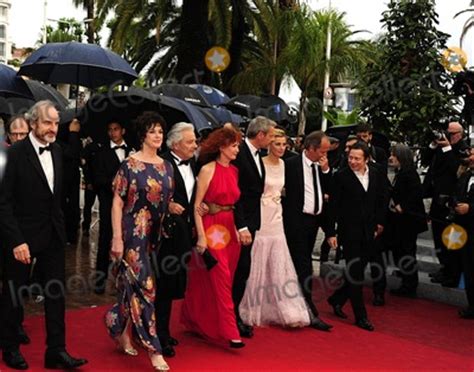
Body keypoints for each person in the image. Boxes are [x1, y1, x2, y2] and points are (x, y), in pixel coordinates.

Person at [0, 100, 87, 370]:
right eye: (47, 122)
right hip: (21, 238)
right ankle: (10, 347)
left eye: (55, 123)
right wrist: (16, 241)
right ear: (33, 123)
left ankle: (56, 351)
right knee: (14, 295)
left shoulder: (58, 151)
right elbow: (3, 202)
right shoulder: (14, 154)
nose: (52, 128)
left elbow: (57, 197)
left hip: (52, 236)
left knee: (55, 294)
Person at [105, 111, 173, 371]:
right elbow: (117, 202)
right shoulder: (130, 165)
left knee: (129, 288)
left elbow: (164, 199)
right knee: (146, 288)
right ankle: (154, 349)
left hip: (156, 237)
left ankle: (117, 325)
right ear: (143, 134)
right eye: (153, 131)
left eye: (161, 131)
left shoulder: (165, 166)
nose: (158, 135)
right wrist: (116, 238)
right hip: (132, 234)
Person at [181, 126, 245, 348]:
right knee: (221, 277)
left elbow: (235, 204)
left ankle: (194, 318)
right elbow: (197, 205)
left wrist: (238, 229)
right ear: (222, 147)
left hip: (230, 228)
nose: (238, 149)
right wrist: (201, 236)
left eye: (238, 144)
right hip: (213, 229)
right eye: (234, 145)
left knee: (210, 280)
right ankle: (230, 330)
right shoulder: (208, 169)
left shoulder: (235, 171)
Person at [239, 128, 311, 327]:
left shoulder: (286, 165)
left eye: (283, 144)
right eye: (276, 143)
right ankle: (252, 306)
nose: (281, 148)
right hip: (260, 214)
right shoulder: (259, 163)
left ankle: (285, 307)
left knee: (278, 259)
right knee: (257, 258)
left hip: (277, 215)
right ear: (269, 145)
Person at [327, 141, 386, 331]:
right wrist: (331, 232)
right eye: (350, 157)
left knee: (358, 270)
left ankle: (336, 299)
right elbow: (333, 206)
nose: (352, 161)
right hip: (349, 231)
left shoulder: (376, 174)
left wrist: (380, 222)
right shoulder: (341, 177)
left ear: (366, 159)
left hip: (370, 231)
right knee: (356, 273)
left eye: (357, 158)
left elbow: (381, 199)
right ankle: (361, 316)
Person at [282, 131, 333, 331]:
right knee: (303, 268)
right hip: (295, 223)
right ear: (310, 148)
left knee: (303, 267)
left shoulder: (323, 167)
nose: (324, 155)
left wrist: (327, 170)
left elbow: (329, 194)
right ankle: (308, 310)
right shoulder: (291, 165)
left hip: (314, 223)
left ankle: (302, 308)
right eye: (322, 151)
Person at [154, 122, 198, 357]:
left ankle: (162, 330)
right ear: (176, 143)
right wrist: (166, 205)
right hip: (165, 235)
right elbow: (146, 195)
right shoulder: (161, 163)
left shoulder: (193, 163)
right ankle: (159, 335)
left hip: (183, 234)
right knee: (163, 285)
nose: (194, 145)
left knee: (173, 285)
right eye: (190, 141)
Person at [232, 116, 276, 338]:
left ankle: (234, 314)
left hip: (252, 221)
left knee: (243, 270)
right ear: (260, 135)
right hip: (238, 225)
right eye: (270, 136)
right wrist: (241, 226)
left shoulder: (258, 155)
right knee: (237, 271)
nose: (272, 140)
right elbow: (235, 194)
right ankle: (231, 317)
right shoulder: (238, 153)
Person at [421, 121, 470, 287]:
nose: (448, 136)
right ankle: (444, 268)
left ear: (459, 134)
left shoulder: (464, 149)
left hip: (450, 200)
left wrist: (449, 148)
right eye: (447, 132)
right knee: (437, 236)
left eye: (451, 133)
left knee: (449, 238)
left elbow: (458, 170)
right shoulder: (440, 146)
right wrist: (433, 144)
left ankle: (451, 272)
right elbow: (426, 160)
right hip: (436, 197)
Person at [93, 120, 133, 294]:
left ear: (123, 130)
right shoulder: (102, 153)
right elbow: (97, 178)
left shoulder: (133, 150)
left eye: (116, 129)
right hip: (109, 202)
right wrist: (115, 185)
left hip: (130, 205)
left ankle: (123, 280)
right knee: (105, 239)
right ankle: (100, 281)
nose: (113, 133)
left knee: (128, 241)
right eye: (110, 130)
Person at [387, 145, 428, 298]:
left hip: (408, 221)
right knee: (401, 251)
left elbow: (416, 194)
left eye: (394, 155)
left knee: (406, 252)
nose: (391, 158)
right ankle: (406, 279)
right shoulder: (402, 172)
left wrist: (402, 206)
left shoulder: (409, 173)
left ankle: (409, 285)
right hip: (402, 221)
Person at [452, 146, 474, 319]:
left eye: (473, 154)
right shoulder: (465, 175)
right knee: (468, 268)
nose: (470, 157)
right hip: (464, 230)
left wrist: (471, 208)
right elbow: (457, 194)